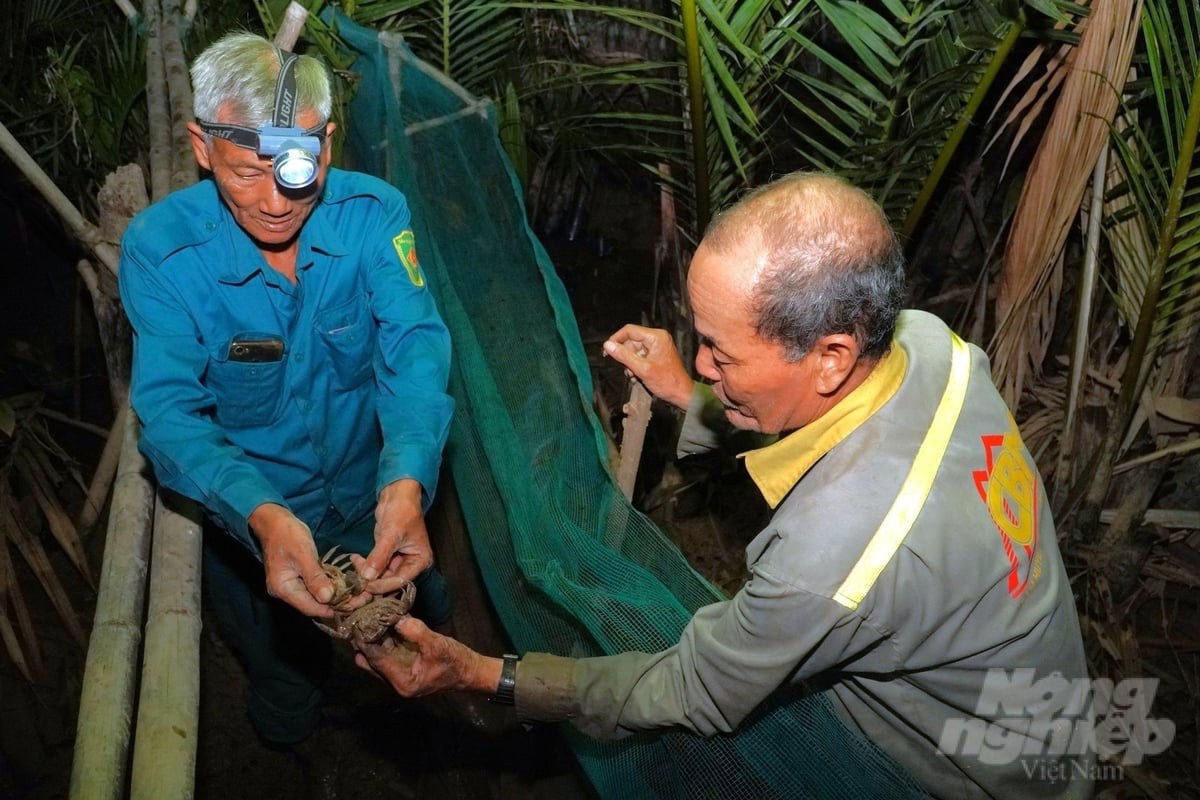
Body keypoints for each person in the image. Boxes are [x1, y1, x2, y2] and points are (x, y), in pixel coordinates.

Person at [357, 172, 1095, 798]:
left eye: (720, 351)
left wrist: (489, 673)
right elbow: (836, 426)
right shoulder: (931, 345)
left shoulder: (826, 559)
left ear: (832, 355)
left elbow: (690, 690)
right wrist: (691, 394)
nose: (704, 363)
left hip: (969, 770)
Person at [118, 31, 456, 750]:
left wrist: (407, 482)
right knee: (284, 672)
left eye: (299, 171)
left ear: (327, 144)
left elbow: (414, 348)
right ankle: (290, 753)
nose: (275, 202)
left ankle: (423, 731)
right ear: (202, 147)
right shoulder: (163, 252)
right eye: (246, 173)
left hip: (373, 496)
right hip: (255, 524)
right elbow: (172, 414)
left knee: (427, 616)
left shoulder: (374, 217)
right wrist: (264, 518)